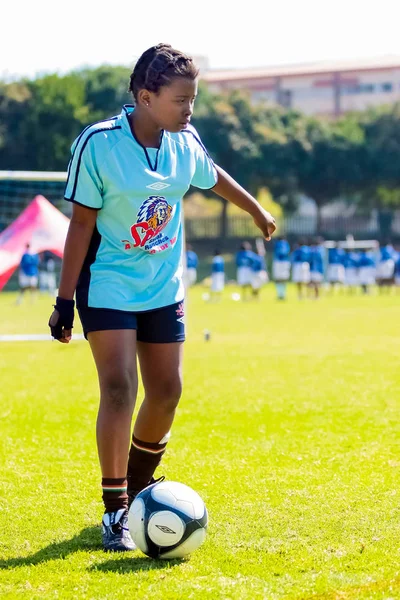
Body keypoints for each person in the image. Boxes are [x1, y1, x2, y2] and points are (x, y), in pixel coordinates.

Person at [48, 44, 276, 553]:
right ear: (146, 97)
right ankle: (114, 514)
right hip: (107, 281)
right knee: (118, 387)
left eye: (193, 98)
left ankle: (134, 489)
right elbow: (81, 223)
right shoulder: (99, 143)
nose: (189, 109)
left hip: (162, 286)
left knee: (167, 391)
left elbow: (212, 176)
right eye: (181, 99)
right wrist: (65, 301)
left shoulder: (183, 141)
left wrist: (256, 210)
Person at [272, 235, 290, 301]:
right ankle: (283, 294)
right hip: (285, 262)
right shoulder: (286, 244)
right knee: (284, 279)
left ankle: (279, 294)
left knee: (278, 279)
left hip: (277, 262)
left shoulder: (277, 244)